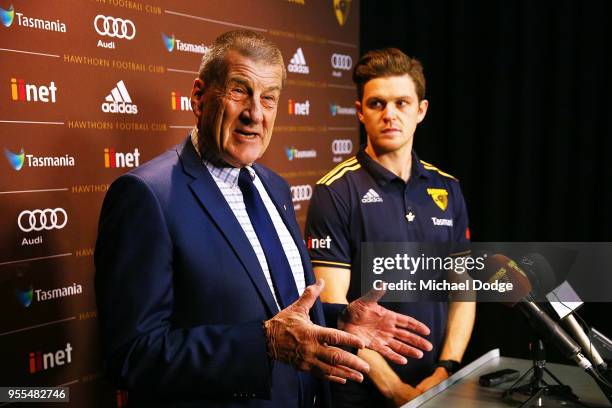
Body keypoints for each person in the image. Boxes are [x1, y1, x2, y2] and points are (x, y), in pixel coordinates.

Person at [94, 31, 433, 408]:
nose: (255, 113)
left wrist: (339, 320)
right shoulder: (146, 195)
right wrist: (265, 344)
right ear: (199, 96)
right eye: (239, 91)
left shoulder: (274, 187)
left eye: (268, 98)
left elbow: (284, 313)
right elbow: (131, 355)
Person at [305, 48, 476, 407]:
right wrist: (395, 391)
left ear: (421, 111)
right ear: (360, 112)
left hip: (436, 386)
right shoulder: (334, 191)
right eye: (377, 104)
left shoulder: (448, 188)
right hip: (360, 391)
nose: (390, 115)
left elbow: (463, 292)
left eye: (401, 103)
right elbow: (334, 307)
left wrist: (445, 371)